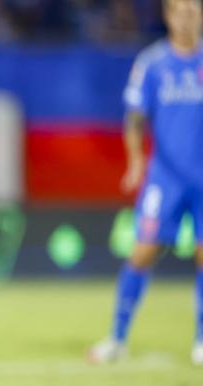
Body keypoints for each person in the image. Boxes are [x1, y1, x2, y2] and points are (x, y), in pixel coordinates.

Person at [89, 0, 203, 365]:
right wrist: (136, 164)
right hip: (165, 178)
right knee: (142, 252)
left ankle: (201, 339)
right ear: (168, 17)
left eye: (193, 11)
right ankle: (117, 338)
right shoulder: (153, 62)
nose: (187, 18)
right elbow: (135, 119)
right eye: (180, 11)